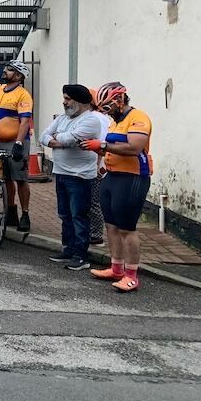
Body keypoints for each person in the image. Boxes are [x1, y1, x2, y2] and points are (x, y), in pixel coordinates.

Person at [82, 82, 154, 293]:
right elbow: (113, 148)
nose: (105, 111)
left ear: (120, 100)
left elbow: (134, 147)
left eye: (107, 107)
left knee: (126, 228)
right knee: (111, 225)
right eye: (102, 108)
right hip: (112, 175)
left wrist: (103, 145)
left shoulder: (138, 118)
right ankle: (116, 268)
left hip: (132, 178)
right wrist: (97, 149)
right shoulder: (115, 122)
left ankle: (131, 275)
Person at [40, 84, 103, 271]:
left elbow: (70, 139)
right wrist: (59, 140)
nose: (64, 102)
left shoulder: (91, 120)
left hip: (80, 175)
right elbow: (43, 136)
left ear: (80, 101)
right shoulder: (62, 118)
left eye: (68, 99)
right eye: (64, 98)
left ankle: (81, 256)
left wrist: (57, 138)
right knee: (65, 214)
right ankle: (68, 249)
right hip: (60, 172)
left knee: (79, 215)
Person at [0, 59, 34, 233]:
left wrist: (19, 143)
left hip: (15, 141)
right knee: (4, 177)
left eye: (10, 69)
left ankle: (25, 215)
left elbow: (24, 121)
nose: (5, 71)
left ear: (19, 76)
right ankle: (11, 211)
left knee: (20, 179)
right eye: (6, 68)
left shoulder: (23, 95)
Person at [87, 88, 112, 246]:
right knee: (92, 200)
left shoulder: (96, 118)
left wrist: (97, 165)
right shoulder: (101, 117)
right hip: (97, 164)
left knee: (93, 201)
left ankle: (95, 236)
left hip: (96, 166)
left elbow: (101, 143)